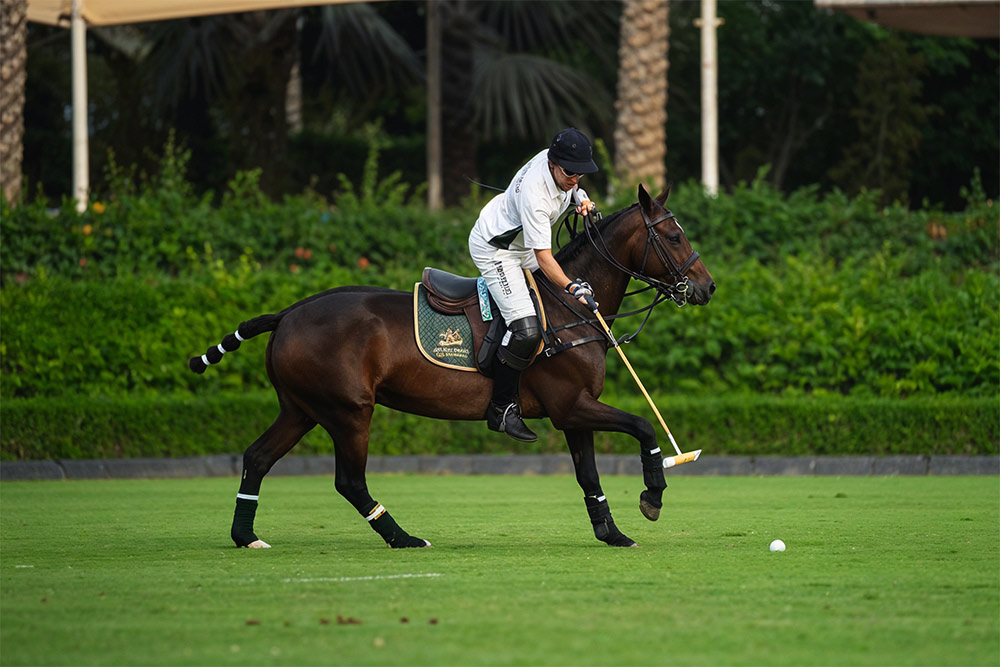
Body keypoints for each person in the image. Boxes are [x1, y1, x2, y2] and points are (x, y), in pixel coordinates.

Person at [468, 127, 600, 442]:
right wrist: (572, 287)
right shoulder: (536, 195)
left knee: (554, 312)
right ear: (553, 163)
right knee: (526, 327)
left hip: (521, 246)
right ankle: (501, 408)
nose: (575, 178)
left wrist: (580, 199)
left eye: (581, 174)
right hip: (497, 250)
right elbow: (545, 258)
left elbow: (570, 188)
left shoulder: (561, 172)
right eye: (571, 172)